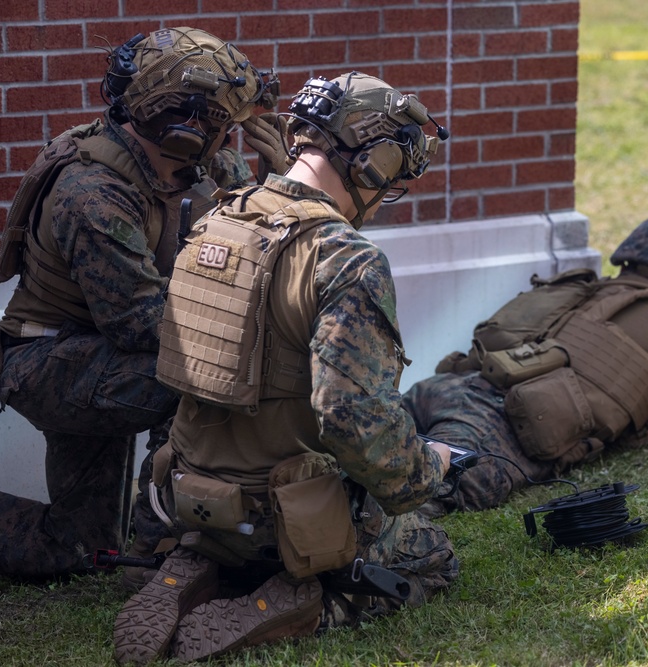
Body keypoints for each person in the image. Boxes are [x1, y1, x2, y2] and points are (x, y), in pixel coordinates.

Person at [0, 27, 284, 587]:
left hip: (96, 356)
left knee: (80, 545)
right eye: (222, 123)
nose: (230, 139)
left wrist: (273, 193)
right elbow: (145, 323)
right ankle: (170, 552)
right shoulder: (92, 192)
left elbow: (230, 244)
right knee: (203, 376)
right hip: (48, 361)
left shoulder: (185, 168)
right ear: (183, 127)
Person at [112, 72, 457, 665]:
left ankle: (199, 564)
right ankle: (307, 606)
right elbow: (353, 418)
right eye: (391, 177)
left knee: (227, 538)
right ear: (373, 163)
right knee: (433, 556)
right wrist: (426, 469)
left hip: (190, 494)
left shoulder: (215, 220)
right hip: (285, 515)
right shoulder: (344, 257)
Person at [402, 216, 648, 518]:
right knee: (409, 495)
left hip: (441, 387)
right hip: (487, 425)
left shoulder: (586, 290)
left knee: (360, 451)